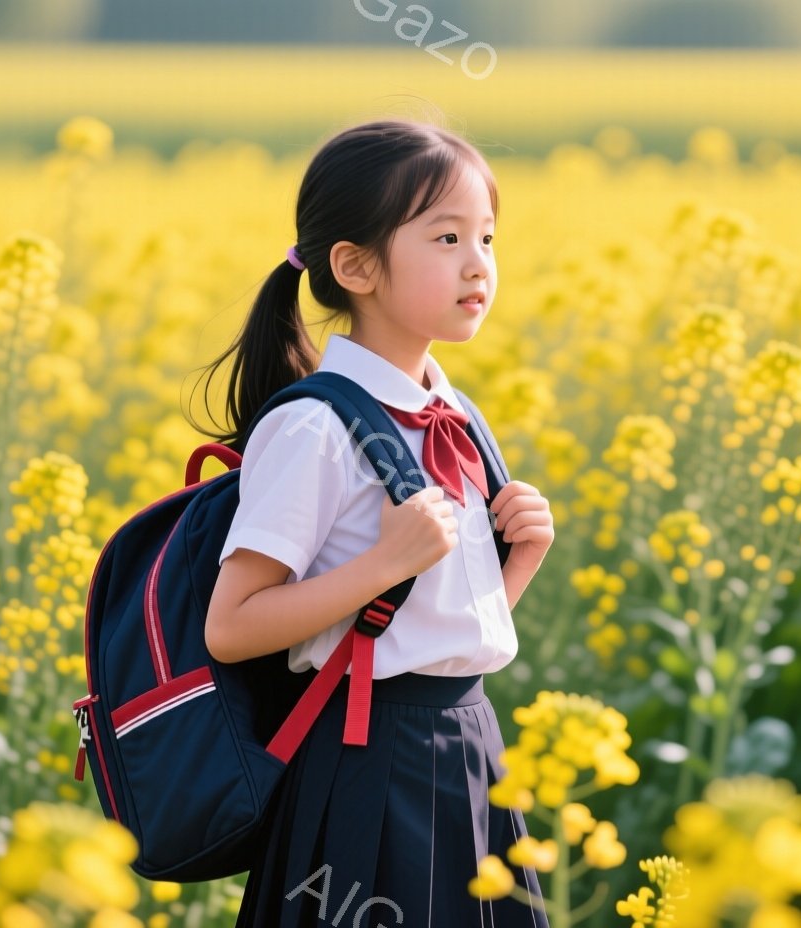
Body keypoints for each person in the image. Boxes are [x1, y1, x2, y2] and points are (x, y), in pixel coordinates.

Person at [194, 119, 555, 928]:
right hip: (366, 766)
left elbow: (434, 637)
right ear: (355, 266)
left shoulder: (453, 414)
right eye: (447, 237)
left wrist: (519, 560)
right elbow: (233, 625)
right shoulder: (316, 428)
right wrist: (382, 564)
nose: (479, 264)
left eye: (488, 238)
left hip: (470, 747)